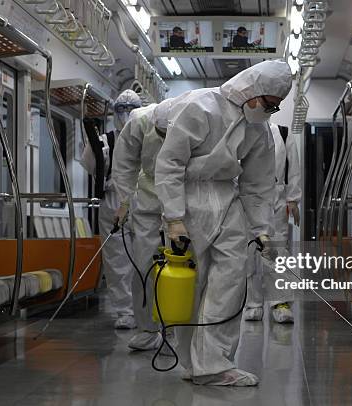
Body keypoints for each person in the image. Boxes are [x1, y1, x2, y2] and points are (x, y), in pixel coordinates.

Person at [154, 60, 292, 386]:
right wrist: (174, 219)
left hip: (226, 202)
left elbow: (258, 183)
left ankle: (215, 364)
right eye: (268, 104)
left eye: (275, 107)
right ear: (251, 90)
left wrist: (261, 229)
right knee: (194, 284)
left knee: (231, 281)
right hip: (188, 201)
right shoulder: (199, 107)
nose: (268, 112)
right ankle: (192, 364)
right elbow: (170, 163)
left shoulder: (258, 129)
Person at [111, 97, 185, 351]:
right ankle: (147, 329)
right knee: (144, 265)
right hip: (147, 197)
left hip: (182, 195)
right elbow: (124, 164)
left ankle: (177, 328)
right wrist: (123, 201)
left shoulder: (193, 120)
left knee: (181, 269)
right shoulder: (138, 121)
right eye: (161, 134)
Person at [243, 122, 301, 323]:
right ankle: (253, 303)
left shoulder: (283, 133)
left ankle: (280, 302)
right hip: (247, 198)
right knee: (249, 253)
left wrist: (293, 199)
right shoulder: (242, 130)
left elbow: (293, 166)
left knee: (277, 251)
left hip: (276, 198)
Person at [99, 89, 142, 329]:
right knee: (117, 258)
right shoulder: (105, 141)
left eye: (130, 109)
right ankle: (125, 310)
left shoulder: (148, 136)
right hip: (114, 199)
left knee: (144, 255)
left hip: (140, 198)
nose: (125, 114)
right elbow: (92, 165)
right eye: (121, 109)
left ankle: (143, 308)